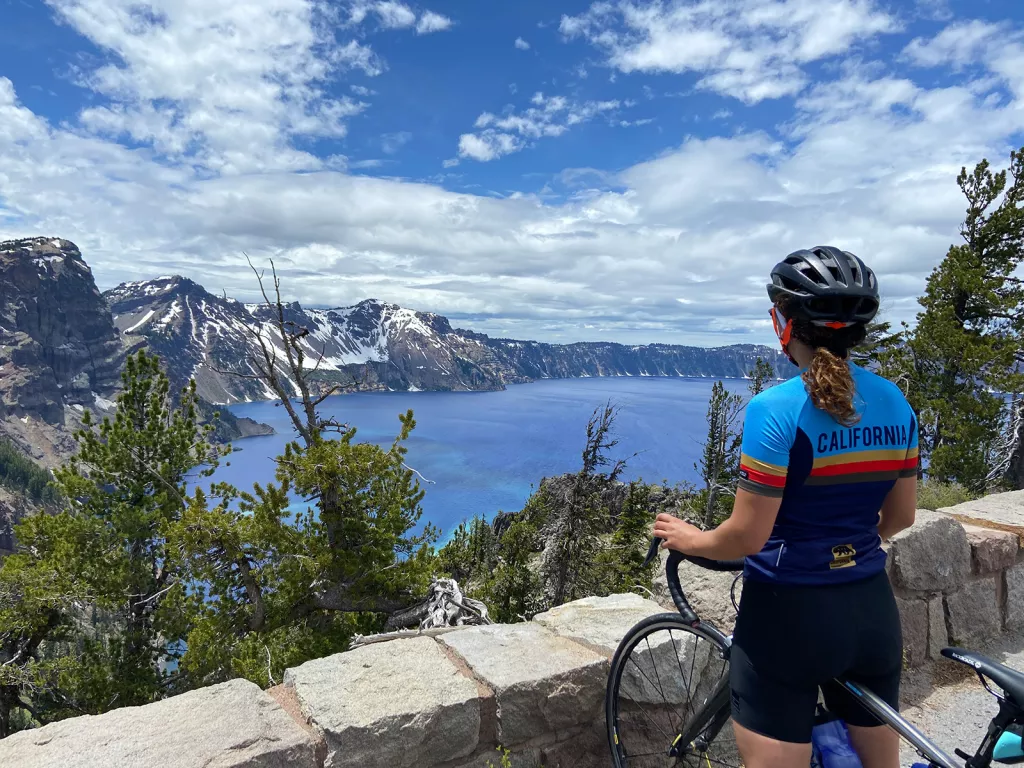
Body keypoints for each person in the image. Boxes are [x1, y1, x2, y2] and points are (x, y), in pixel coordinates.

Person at [654, 246, 918, 768]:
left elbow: (747, 538)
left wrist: (688, 538)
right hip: (871, 608)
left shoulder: (774, 411)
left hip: (787, 614)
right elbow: (901, 518)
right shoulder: (896, 402)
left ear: (784, 325)